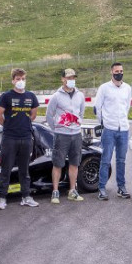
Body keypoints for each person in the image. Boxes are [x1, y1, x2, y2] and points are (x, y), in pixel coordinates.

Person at [0, 68, 40, 209]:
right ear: (13, 80)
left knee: (24, 170)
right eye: (18, 79)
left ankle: (26, 196)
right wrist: (9, 126)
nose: (21, 81)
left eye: (23, 79)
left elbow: (33, 115)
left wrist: (23, 124)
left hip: (26, 137)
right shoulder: (6, 96)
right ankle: (2, 198)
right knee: (6, 169)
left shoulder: (31, 96)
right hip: (10, 138)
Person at [46, 68, 86, 204]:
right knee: (58, 163)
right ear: (63, 79)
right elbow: (49, 115)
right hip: (61, 135)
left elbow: (81, 114)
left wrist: (76, 124)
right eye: (68, 78)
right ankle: (55, 191)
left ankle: (72, 191)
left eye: (73, 78)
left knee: (75, 163)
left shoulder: (80, 95)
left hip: (76, 134)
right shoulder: (56, 96)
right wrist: (57, 128)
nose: (71, 80)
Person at [94, 62, 132, 201]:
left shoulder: (127, 88)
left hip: (123, 129)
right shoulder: (104, 88)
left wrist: (123, 120)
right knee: (105, 160)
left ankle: (121, 187)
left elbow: (127, 106)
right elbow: (97, 107)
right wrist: (103, 122)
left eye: (121, 70)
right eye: (116, 71)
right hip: (109, 129)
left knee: (121, 160)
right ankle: (102, 188)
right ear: (111, 72)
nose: (119, 73)